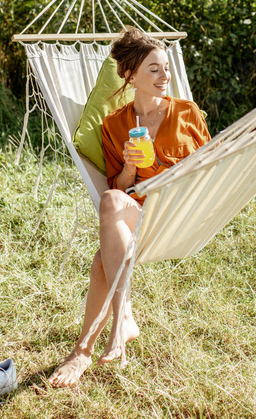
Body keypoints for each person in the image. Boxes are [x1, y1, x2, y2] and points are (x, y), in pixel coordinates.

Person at [49, 27, 210, 388]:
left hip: (179, 214)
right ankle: (108, 333)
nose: (164, 77)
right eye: (154, 70)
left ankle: (87, 348)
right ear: (130, 75)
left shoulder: (187, 114)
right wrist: (130, 167)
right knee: (109, 200)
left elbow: (210, 170)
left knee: (100, 264)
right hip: (137, 217)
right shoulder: (114, 124)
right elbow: (118, 190)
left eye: (166, 69)